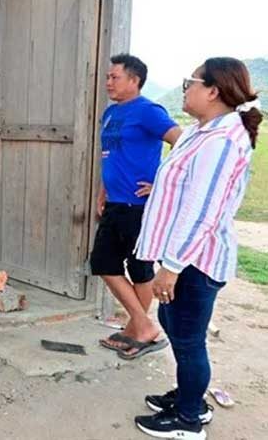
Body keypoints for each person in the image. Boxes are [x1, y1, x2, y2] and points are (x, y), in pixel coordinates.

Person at [132, 57, 262, 439]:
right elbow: (187, 186)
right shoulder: (200, 131)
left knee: (188, 340)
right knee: (175, 327)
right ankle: (189, 395)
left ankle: (189, 418)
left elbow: (203, 211)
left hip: (195, 262)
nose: (185, 87)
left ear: (213, 91)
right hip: (184, 258)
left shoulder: (222, 141)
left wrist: (170, 267)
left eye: (191, 81)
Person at [92, 54, 182, 358]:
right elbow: (110, 156)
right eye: (107, 77)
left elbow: (182, 143)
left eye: (114, 77)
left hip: (138, 205)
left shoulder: (149, 112)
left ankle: (142, 328)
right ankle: (139, 327)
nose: (108, 82)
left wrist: (162, 185)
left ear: (134, 80)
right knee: (105, 263)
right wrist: (102, 191)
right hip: (116, 201)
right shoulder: (110, 113)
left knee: (139, 268)